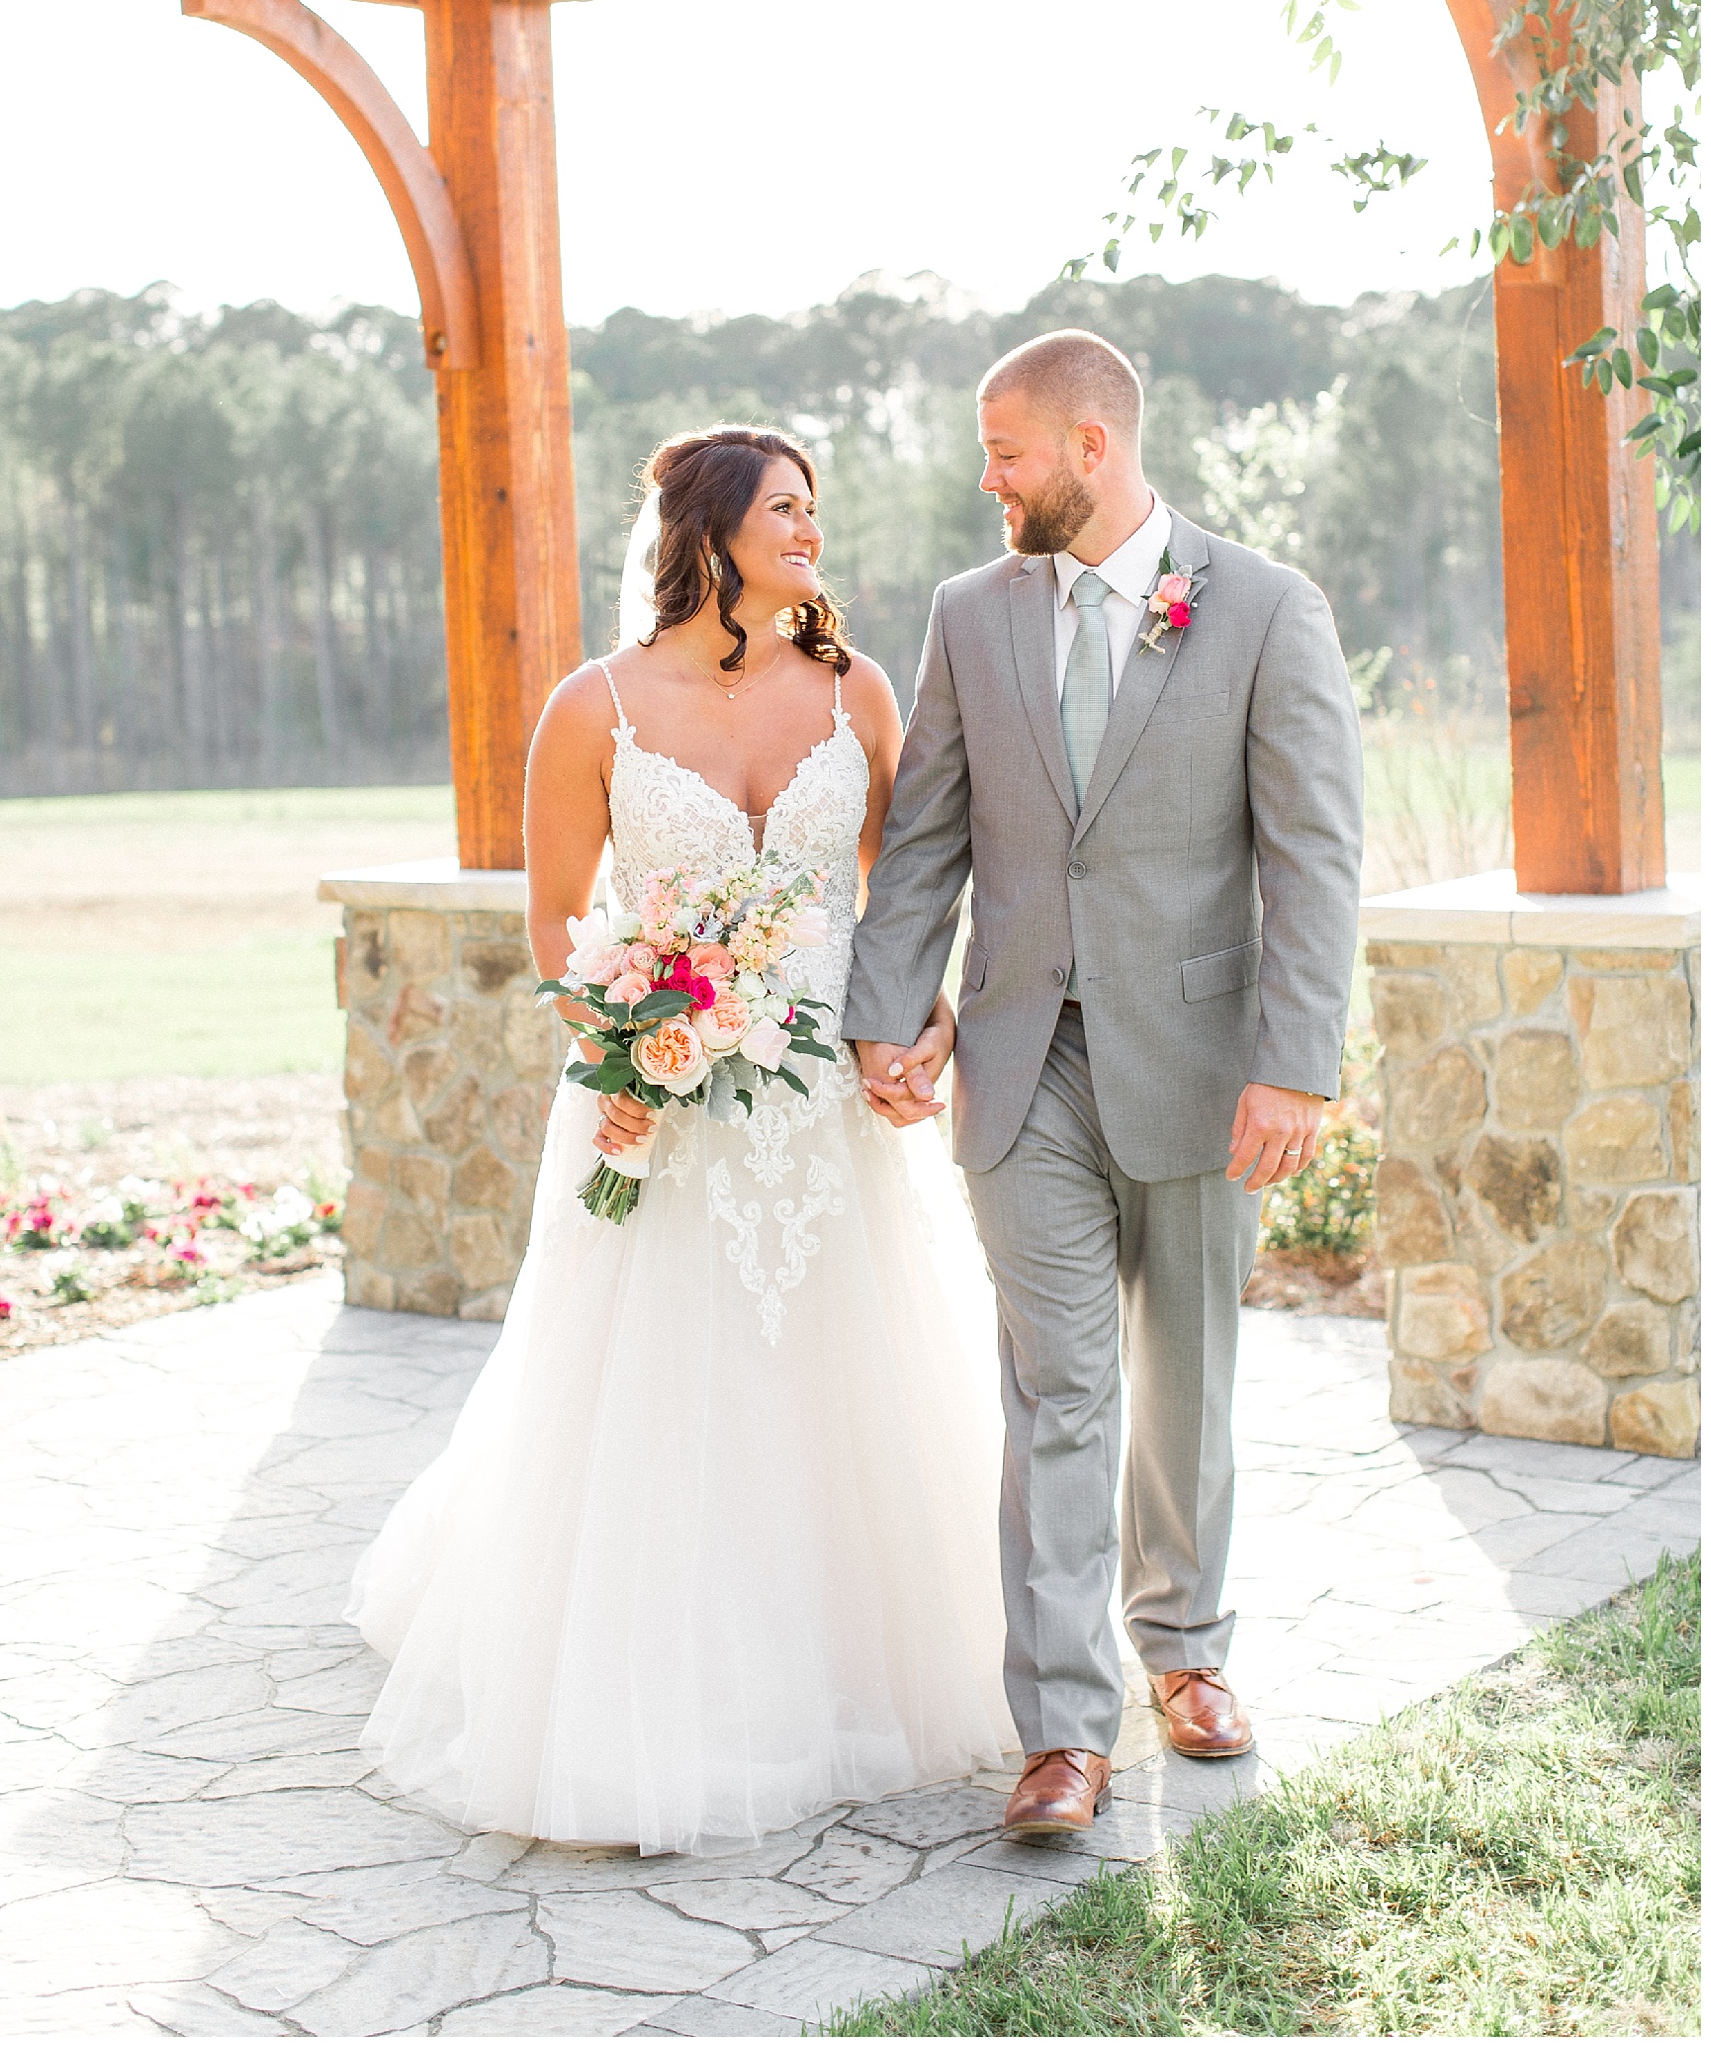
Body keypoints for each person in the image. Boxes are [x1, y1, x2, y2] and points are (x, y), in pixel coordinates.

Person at [347, 426, 1013, 1856]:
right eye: (786, 509)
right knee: (670, 1393)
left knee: (844, 1378)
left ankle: (851, 1669)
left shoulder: (860, 690)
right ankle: (677, 1687)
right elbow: (552, 926)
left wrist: (922, 1022)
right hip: (661, 1103)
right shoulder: (593, 710)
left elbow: (904, 894)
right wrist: (629, 1037)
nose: (810, 535)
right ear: (708, 531)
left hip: (826, 1105)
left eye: (813, 511)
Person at [848, 330, 1363, 1838]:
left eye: (1006, 453)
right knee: (1060, 1386)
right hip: (1020, 1070)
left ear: (1091, 445)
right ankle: (1063, 1727)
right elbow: (928, 835)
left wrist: (1297, 1060)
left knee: (1188, 1372)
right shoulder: (969, 614)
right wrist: (891, 1010)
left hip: (1207, 1067)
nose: (987, 480)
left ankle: (1188, 1651)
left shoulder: (1263, 608)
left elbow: (1315, 852)